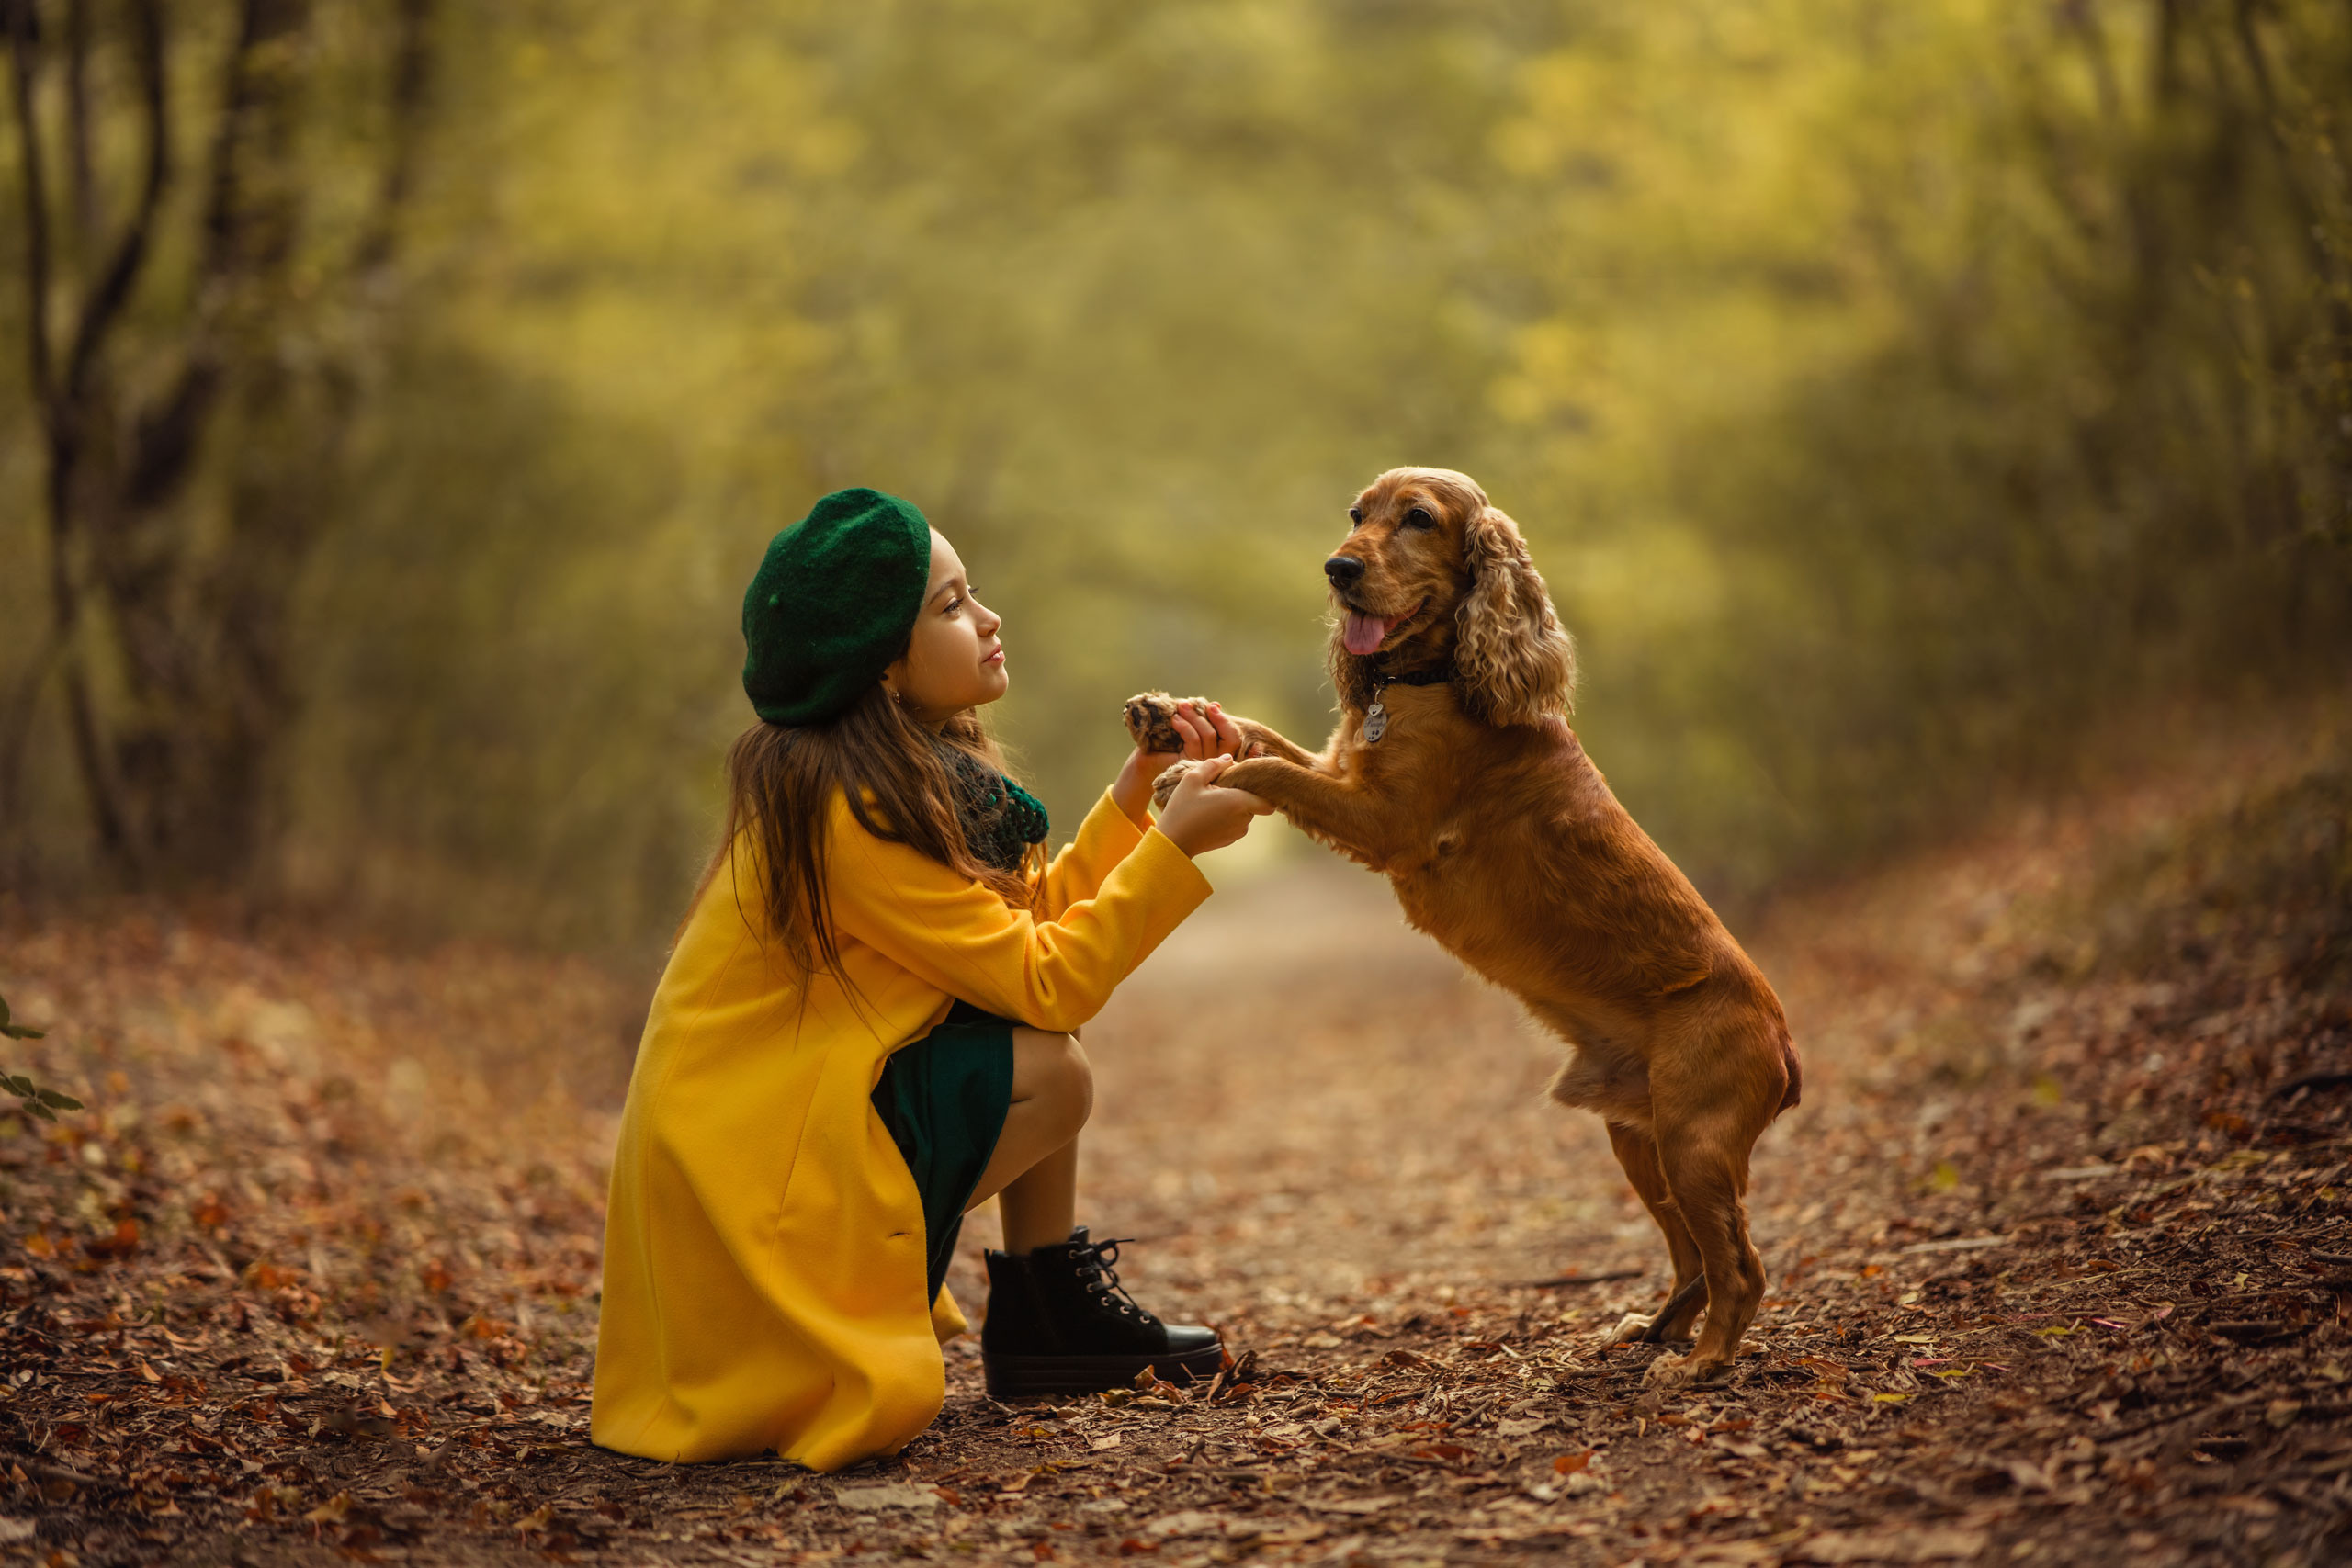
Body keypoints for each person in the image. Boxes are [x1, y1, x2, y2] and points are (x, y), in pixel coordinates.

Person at [591, 487, 1271, 1470]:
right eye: (950, 607)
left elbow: (1015, 936)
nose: (988, 620)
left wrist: (1133, 803)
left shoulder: (898, 777)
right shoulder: (847, 810)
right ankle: (1033, 1311)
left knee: (1030, 1046)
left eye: (973, 594)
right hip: (749, 1186)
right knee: (1049, 1065)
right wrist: (1174, 848)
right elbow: (1047, 984)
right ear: (881, 661)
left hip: (778, 1137)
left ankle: (1046, 1317)